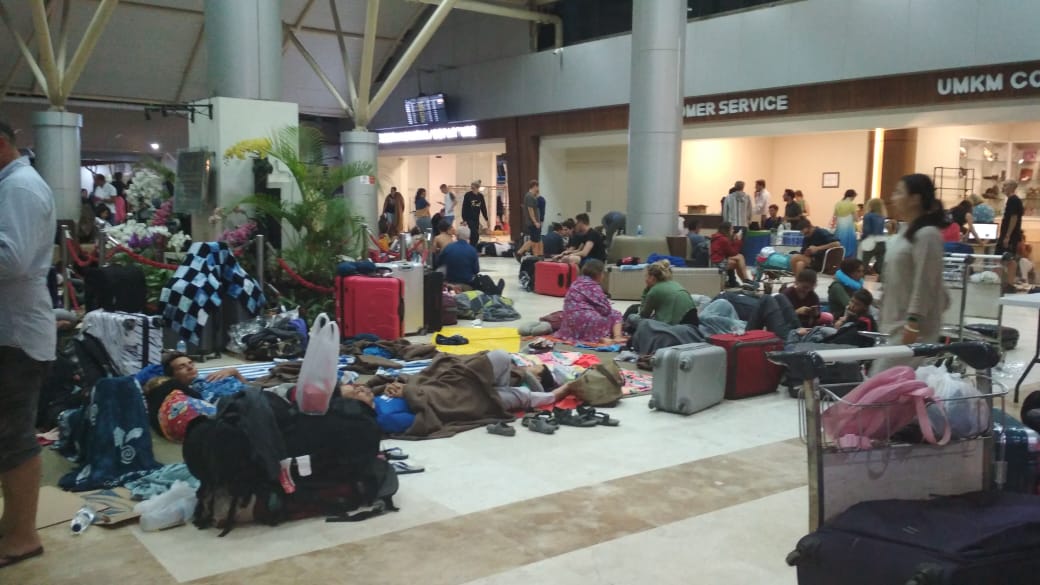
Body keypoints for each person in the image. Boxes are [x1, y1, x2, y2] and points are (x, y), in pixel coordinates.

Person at [0, 120, 55, 568]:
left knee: (13, 435)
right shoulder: (14, 184)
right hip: (11, 329)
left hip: (15, 334)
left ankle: (22, 534)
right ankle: (14, 526)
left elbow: (12, 258)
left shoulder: (19, 187)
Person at [873, 174, 949, 371]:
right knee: (893, 388)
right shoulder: (905, 232)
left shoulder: (928, 234)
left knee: (880, 383)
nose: (893, 198)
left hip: (914, 327)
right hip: (896, 321)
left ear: (915, 199)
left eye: (899, 192)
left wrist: (913, 320)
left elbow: (925, 281)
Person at [556, 260, 626, 344]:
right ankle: (614, 337)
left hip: (569, 323)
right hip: (587, 321)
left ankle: (596, 337)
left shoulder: (576, 283)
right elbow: (605, 309)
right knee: (615, 314)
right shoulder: (593, 286)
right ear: (598, 274)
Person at [638, 260, 696, 326]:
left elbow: (643, 315)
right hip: (693, 325)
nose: (645, 279)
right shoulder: (675, 284)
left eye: (646, 276)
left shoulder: (654, 290)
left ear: (652, 277)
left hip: (673, 328)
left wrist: (645, 292)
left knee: (633, 318)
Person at [998, 180, 1024, 292]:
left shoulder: (1013, 200)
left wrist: (1007, 235)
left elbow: (1013, 218)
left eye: (1005, 185)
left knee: (1006, 258)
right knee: (1005, 258)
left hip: (1009, 235)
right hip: (1009, 234)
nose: (1002, 188)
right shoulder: (1012, 200)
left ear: (1012, 187)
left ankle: (1008, 284)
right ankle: (1007, 283)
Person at [515, 180, 543, 259]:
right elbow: (530, 210)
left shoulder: (531, 196)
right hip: (532, 222)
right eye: (537, 187)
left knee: (535, 240)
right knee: (534, 240)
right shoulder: (529, 196)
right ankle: (519, 252)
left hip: (533, 222)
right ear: (534, 186)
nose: (538, 188)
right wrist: (535, 222)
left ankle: (536, 256)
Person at [861, 198, 887, 277]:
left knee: (864, 262)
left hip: (870, 240)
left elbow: (867, 230)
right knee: (881, 263)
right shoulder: (882, 216)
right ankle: (882, 279)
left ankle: (860, 279)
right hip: (881, 241)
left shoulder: (868, 216)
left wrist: (862, 238)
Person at [832, 189, 858, 258]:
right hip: (849, 229)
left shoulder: (838, 204)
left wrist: (833, 226)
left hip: (839, 229)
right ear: (852, 196)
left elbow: (834, 216)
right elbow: (856, 218)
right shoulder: (852, 205)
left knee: (840, 244)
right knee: (849, 245)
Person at [461, 181, 488, 247]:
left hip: (476, 219)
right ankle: (472, 248)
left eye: (473, 187)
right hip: (469, 218)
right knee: (475, 234)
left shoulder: (480, 196)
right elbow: (464, 207)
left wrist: (486, 219)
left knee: (475, 236)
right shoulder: (468, 195)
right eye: (471, 187)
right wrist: (464, 219)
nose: (472, 188)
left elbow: (483, 208)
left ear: (477, 188)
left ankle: (472, 247)